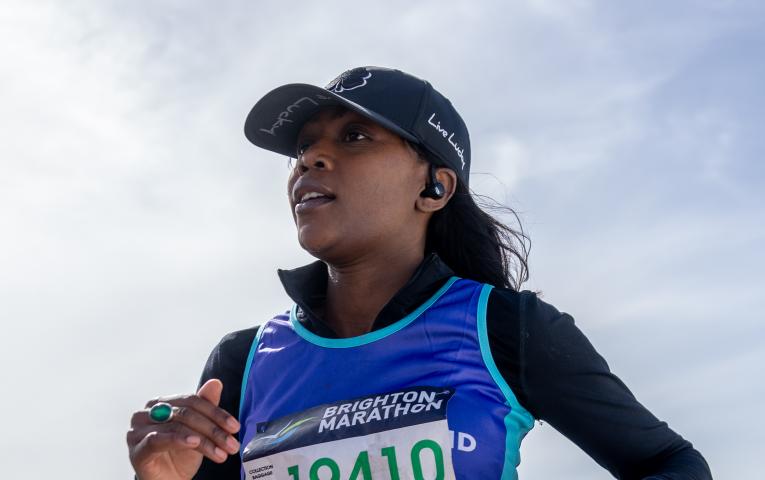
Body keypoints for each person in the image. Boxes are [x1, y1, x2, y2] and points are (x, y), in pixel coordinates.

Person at [127, 66, 713, 480]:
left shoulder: (506, 329)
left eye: (355, 136)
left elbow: (673, 465)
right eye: (303, 148)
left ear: (434, 187)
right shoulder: (242, 360)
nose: (310, 158)